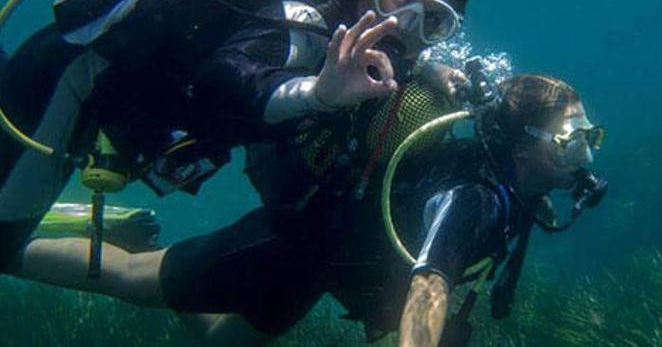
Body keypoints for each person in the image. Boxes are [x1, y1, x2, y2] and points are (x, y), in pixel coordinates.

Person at [0, 0, 475, 274]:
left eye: (432, 22)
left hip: (116, 99)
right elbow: (226, 78)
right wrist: (319, 94)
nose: (402, 27)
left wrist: (427, 68)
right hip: (71, 77)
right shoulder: (307, 15)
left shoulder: (357, 22)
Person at [14, 73, 608, 346]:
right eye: (569, 139)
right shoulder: (475, 196)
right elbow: (429, 286)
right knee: (130, 280)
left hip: (337, 271)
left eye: (588, 137)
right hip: (295, 247)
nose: (582, 152)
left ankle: (139, 246)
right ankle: (7, 247)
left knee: (220, 341)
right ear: (521, 144)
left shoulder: (520, 192)